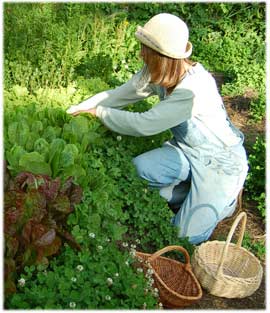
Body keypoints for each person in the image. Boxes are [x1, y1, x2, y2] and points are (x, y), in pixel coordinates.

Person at [66, 13, 248, 244]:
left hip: (221, 165)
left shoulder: (194, 88)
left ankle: (223, 201)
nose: (141, 54)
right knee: (140, 169)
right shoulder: (157, 73)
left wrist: (100, 114)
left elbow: (145, 124)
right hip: (187, 151)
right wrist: (76, 109)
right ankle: (188, 191)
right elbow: (119, 95)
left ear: (161, 56)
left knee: (182, 237)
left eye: (146, 50)